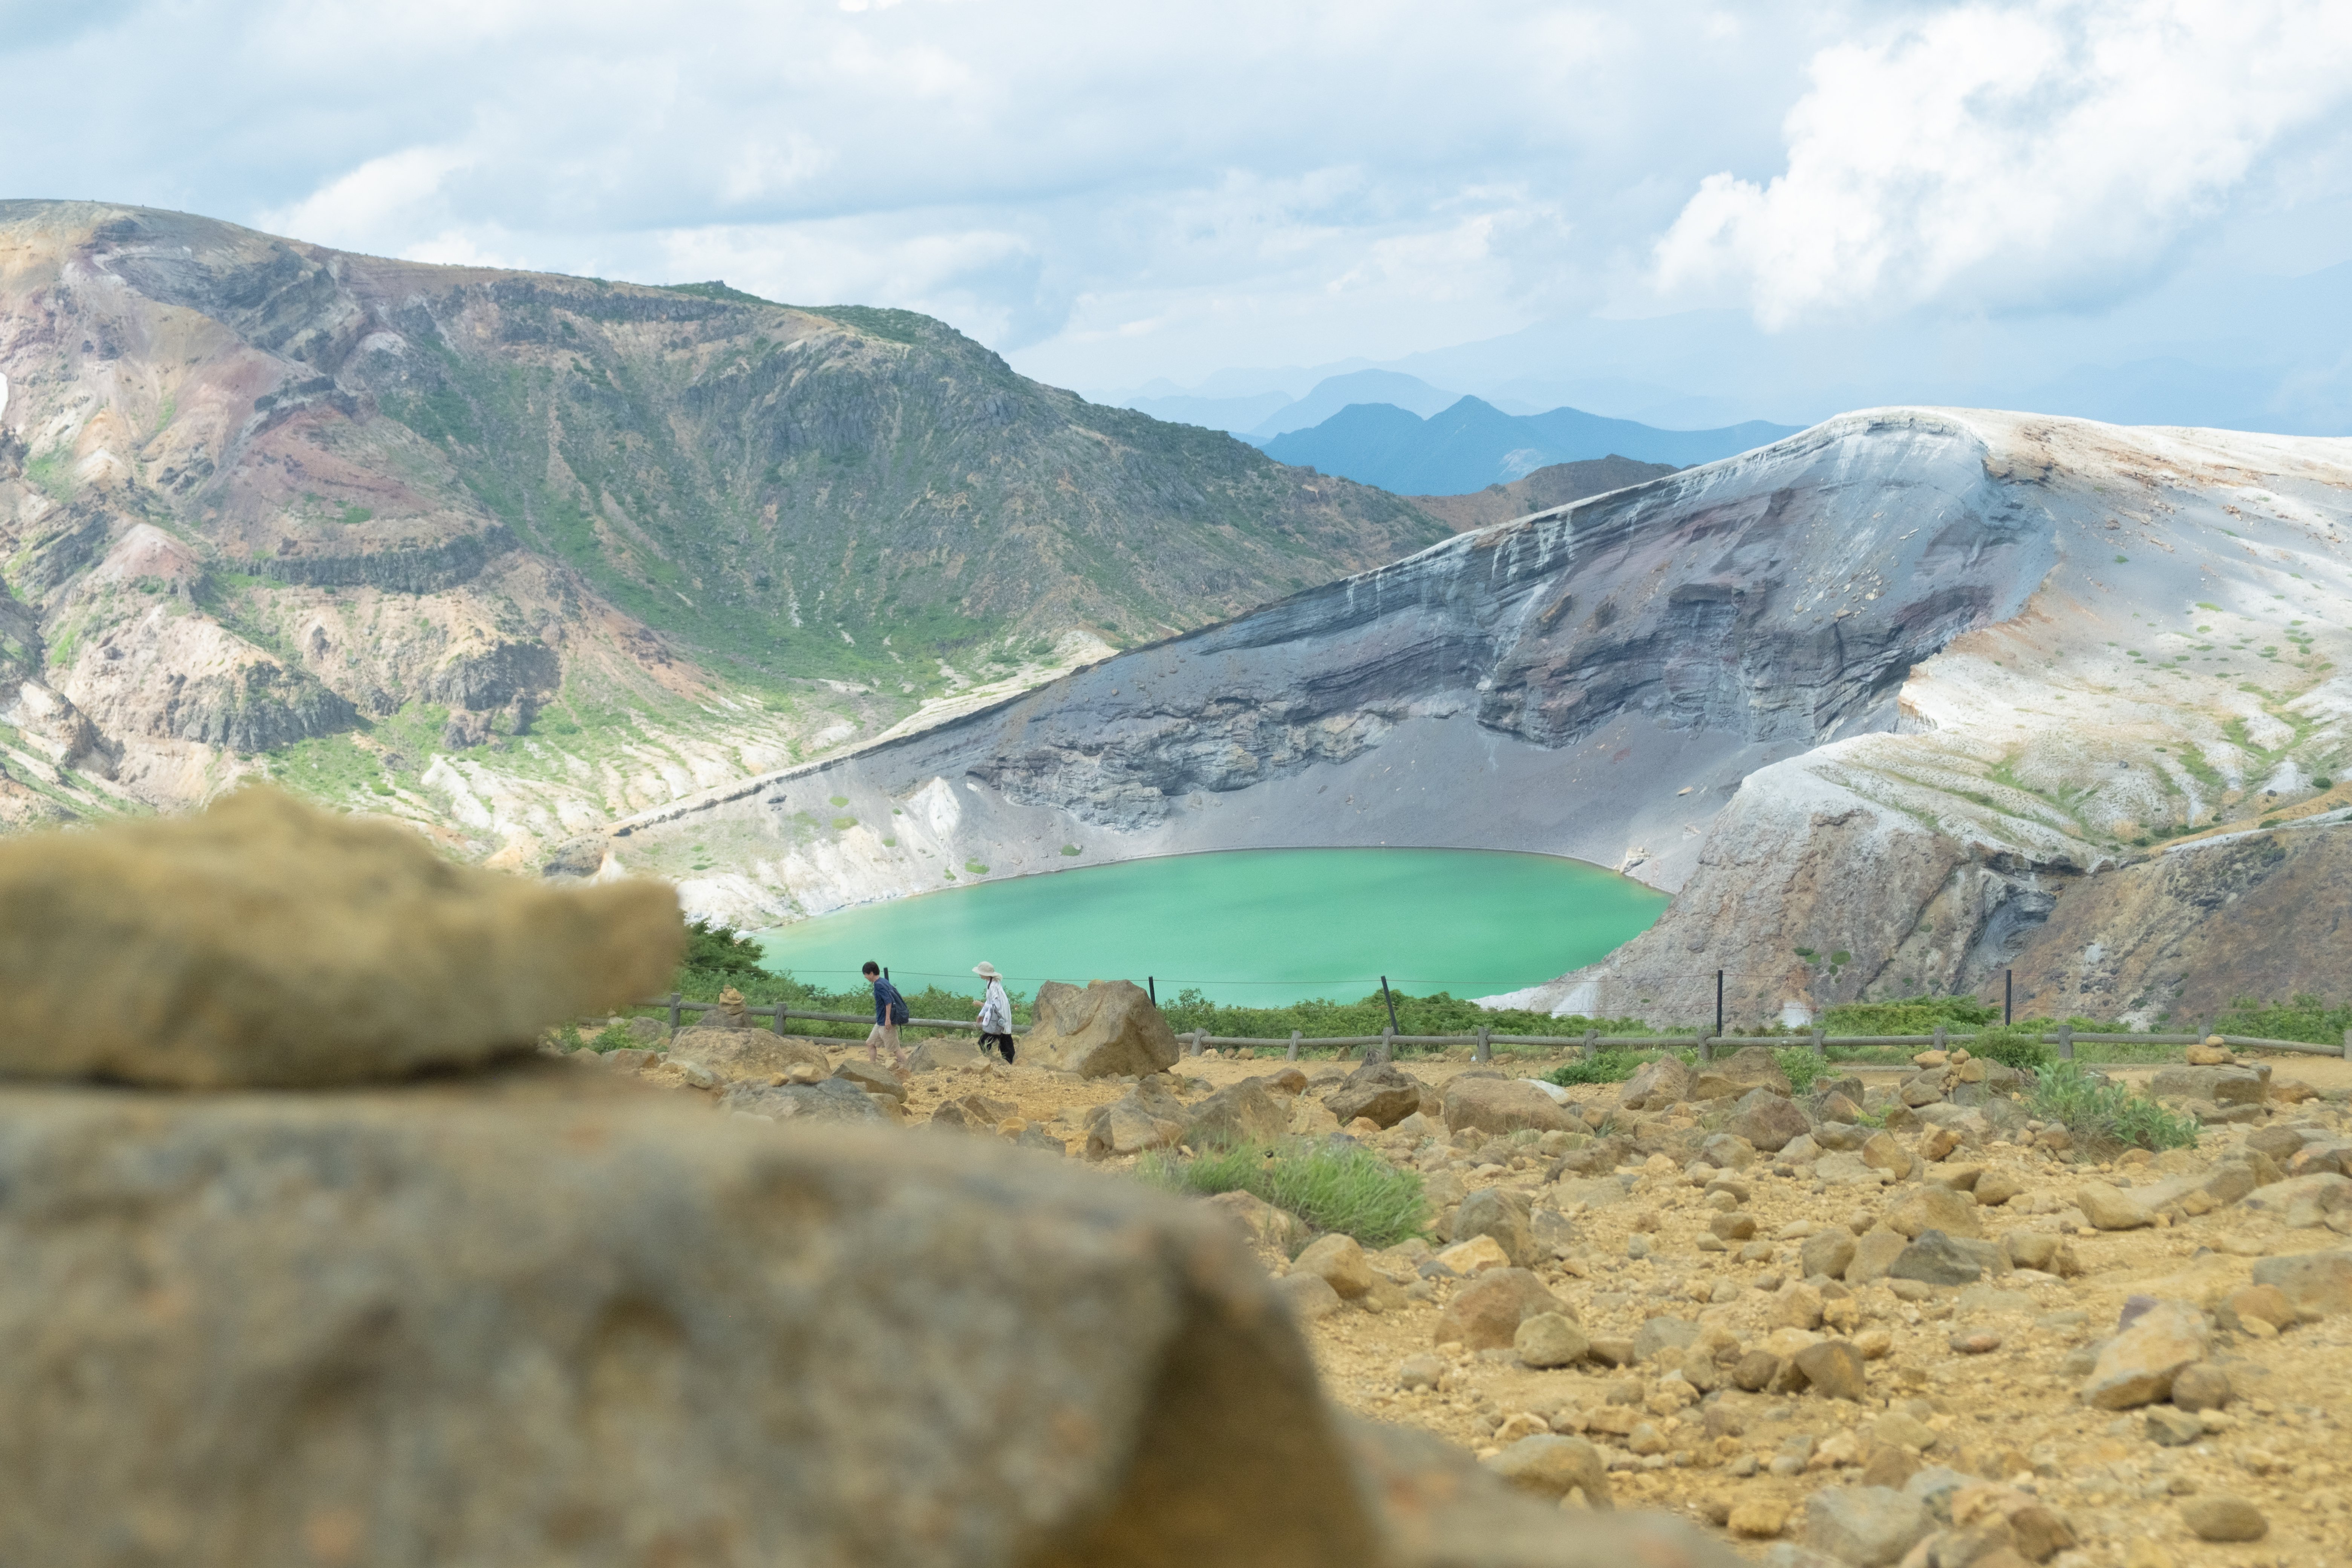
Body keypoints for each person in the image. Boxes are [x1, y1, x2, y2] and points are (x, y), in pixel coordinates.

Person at [862, 960, 908, 1068]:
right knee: (870, 1043)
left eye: (866, 974)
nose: (865, 977)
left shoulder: (879, 985)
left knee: (896, 1050)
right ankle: (873, 1067)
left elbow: (888, 1002)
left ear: (871, 974)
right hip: (880, 1022)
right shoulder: (883, 981)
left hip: (885, 1023)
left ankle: (910, 1068)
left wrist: (888, 1019)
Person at [974, 961, 1014, 1064]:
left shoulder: (992, 986)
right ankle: (1010, 1063)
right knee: (1005, 1040)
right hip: (1000, 1017)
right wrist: (981, 1014)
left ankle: (986, 1061)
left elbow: (997, 1006)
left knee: (985, 1041)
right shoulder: (991, 983)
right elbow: (990, 1001)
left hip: (1000, 1018)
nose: (980, 975)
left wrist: (981, 1005)